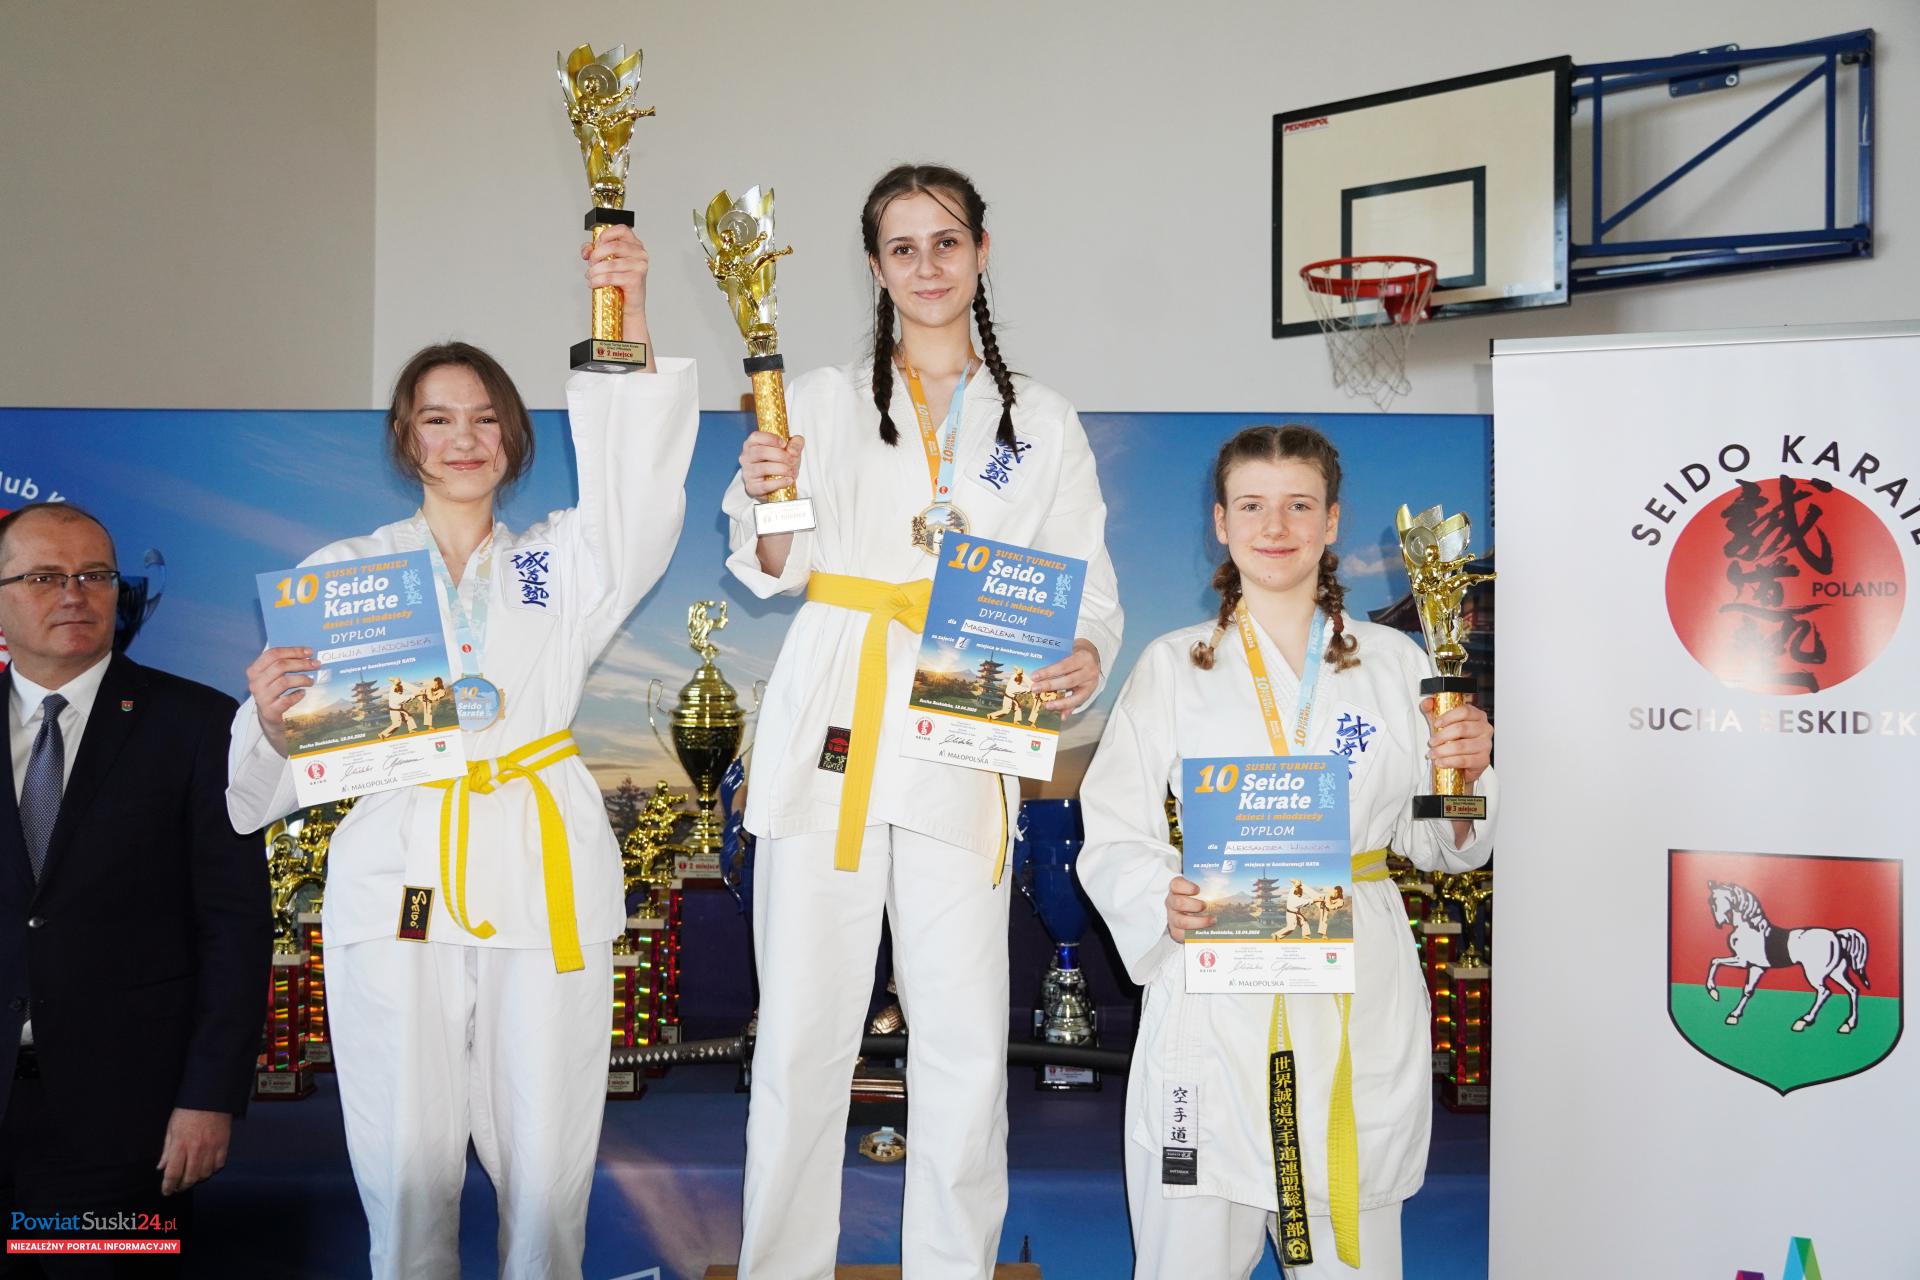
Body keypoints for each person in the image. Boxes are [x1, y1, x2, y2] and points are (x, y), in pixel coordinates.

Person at [226, 224, 697, 1280]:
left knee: (547, 1162)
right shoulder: (347, 572)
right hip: (400, 869)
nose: (464, 439)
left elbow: (637, 498)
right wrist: (271, 717)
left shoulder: (558, 563)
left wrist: (623, 317)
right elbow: (260, 778)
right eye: (438, 419)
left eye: (485, 418)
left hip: (541, 864)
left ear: (515, 438)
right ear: (406, 439)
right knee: (404, 1158)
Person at [723, 163, 1124, 1278]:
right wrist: (769, 487)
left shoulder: (1039, 418)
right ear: (875, 266)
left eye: (947, 242)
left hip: (968, 731)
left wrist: (1086, 652)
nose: (928, 265)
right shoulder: (814, 399)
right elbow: (774, 566)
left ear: (982, 253)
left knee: (962, 1043)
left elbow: (1088, 588)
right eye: (903, 247)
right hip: (836, 715)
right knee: (800, 1039)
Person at [1076, 424, 1496, 1280]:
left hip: (1355, 980)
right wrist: (1161, 896)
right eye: (1252, 506)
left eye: (1300, 505)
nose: (1276, 527)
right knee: (1191, 1248)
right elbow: (1113, 826)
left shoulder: (1396, 661)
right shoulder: (1172, 664)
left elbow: (1439, 845)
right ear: (1221, 523)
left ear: (1332, 520)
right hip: (1214, 979)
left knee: (1350, 1242)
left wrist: (1470, 773)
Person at [0, 502, 271, 1272]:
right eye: (44, 577)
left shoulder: (198, 724)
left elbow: (235, 927)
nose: (74, 594)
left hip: (126, 1128)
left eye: (95, 576)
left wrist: (209, 1096)